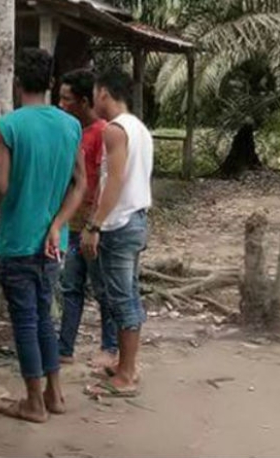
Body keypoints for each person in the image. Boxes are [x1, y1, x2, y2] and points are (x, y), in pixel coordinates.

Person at [0, 48, 87, 423]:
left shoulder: (9, 126)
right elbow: (80, 184)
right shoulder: (70, 125)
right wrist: (59, 223)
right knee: (45, 317)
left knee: (26, 321)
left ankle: (33, 402)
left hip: (17, 240)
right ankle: (55, 393)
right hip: (53, 243)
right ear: (50, 83)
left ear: (17, 83)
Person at [81, 69, 153, 398]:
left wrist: (95, 224)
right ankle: (126, 364)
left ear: (105, 93)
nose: (92, 99)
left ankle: (126, 374)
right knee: (127, 295)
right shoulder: (139, 128)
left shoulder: (114, 130)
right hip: (135, 218)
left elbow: (115, 180)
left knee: (122, 299)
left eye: (95, 93)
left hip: (120, 223)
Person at [55, 69, 118, 368]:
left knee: (102, 289)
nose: (61, 104)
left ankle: (110, 346)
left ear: (82, 101)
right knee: (70, 286)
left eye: (66, 99)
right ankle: (64, 347)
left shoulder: (102, 133)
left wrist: (94, 226)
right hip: (73, 222)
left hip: (93, 226)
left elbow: (103, 183)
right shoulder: (71, 130)